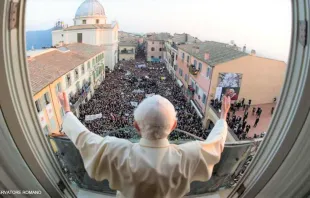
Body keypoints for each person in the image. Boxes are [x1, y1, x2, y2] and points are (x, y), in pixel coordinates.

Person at [56, 92, 231, 198]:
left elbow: (84, 138)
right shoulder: (191, 155)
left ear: (136, 126)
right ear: (174, 126)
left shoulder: (115, 151)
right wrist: (222, 119)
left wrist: (68, 113)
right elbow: (215, 145)